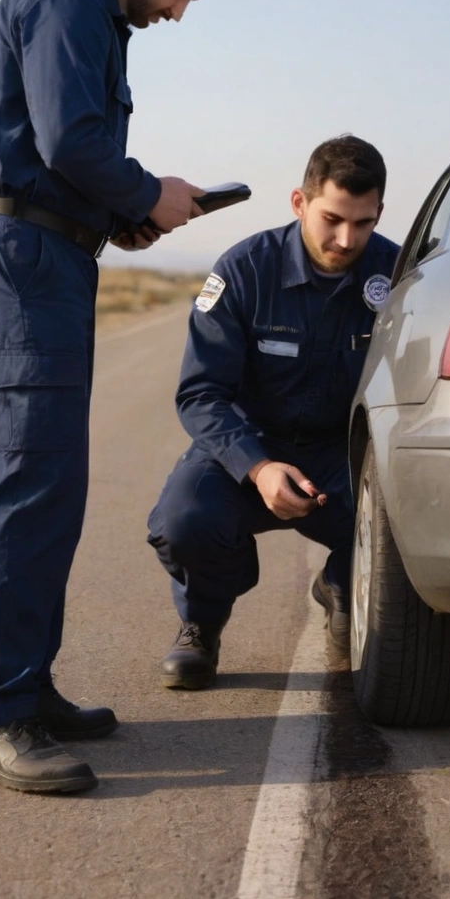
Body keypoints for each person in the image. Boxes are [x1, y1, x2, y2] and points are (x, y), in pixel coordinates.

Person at [0, 0, 231, 793]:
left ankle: (25, 689)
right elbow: (70, 137)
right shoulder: (67, 0)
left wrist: (126, 215)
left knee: (54, 487)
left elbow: (64, 152)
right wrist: (149, 192)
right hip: (23, 256)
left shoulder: (95, 19)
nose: (180, 10)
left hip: (54, 252)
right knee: (31, 485)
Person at [146, 135, 399, 689]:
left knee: (414, 516)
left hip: (344, 458)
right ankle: (203, 623)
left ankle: (340, 582)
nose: (346, 238)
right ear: (299, 203)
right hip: (249, 445)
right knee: (184, 522)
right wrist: (257, 467)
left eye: (363, 223)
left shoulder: (400, 276)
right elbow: (201, 394)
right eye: (332, 218)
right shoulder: (243, 272)